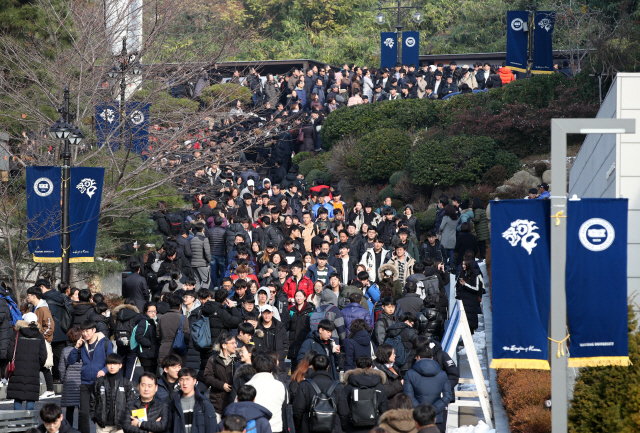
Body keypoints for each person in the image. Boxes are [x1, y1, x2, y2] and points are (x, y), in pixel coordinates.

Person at [67, 319, 114, 433]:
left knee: (101, 412)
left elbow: (112, 361)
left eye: (87, 331)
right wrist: (76, 347)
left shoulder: (105, 343)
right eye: (83, 331)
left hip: (101, 382)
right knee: (83, 413)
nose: (85, 334)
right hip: (86, 383)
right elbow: (70, 361)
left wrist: (103, 370)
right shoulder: (82, 344)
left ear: (94, 330)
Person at [292, 354, 348, 433]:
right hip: (333, 427)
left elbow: (298, 410)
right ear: (328, 367)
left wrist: (297, 427)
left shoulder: (304, 385)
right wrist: (342, 427)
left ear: (313, 367)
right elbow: (344, 412)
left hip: (309, 426)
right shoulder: (337, 386)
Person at [404, 345, 452, 432]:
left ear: (418, 357)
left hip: (417, 418)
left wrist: (421, 411)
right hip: (436, 417)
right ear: (432, 357)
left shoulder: (409, 374)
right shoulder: (442, 374)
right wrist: (433, 410)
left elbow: (409, 397)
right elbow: (447, 396)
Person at [7, 312, 47, 411]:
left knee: (17, 397)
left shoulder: (16, 334)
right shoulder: (39, 336)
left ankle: (18, 421)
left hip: (17, 369)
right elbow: (43, 355)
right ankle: (30, 421)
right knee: (31, 397)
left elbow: (9, 352)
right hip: (33, 370)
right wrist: (38, 365)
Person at [90, 353, 137, 433]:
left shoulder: (126, 383)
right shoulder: (99, 382)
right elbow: (92, 401)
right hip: (101, 425)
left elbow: (131, 404)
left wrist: (127, 421)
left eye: (115, 364)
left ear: (120, 365)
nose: (112, 367)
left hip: (120, 426)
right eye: (109, 364)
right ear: (106, 365)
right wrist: (94, 418)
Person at [343, 356, 388, 432]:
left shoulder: (349, 386)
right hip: (374, 426)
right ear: (371, 367)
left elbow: (344, 408)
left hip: (353, 426)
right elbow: (384, 409)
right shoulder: (379, 386)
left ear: (356, 367)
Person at [25, 285, 55, 398]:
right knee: (36, 365)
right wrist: (24, 303)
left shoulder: (43, 309)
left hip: (41, 341)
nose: (27, 297)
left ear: (34, 296)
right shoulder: (33, 307)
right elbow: (22, 314)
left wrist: (41, 337)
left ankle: (50, 390)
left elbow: (50, 326)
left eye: (28, 295)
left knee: (45, 366)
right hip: (34, 340)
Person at [245, 353, 287, 433]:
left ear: (255, 369)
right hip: (276, 428)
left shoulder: (247, 386)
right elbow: (285, 405)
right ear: (272, 369)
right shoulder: (280, 385)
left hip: (253, 429)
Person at [166, 367, 217, 433]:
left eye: (187, 379)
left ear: (194, 381)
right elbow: (169, 428)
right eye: (181, 379)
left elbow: (211, 428)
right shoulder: (173, 404)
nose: (184, 383)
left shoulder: (204, 403)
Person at [202, 331, 237, 421]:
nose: (235, 345)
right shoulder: (213, 359)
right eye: (232, 343)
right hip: (217, 403)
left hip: (234, 404)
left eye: (235, 343)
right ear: (224, 345)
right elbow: (207, 377)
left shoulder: (237, 360)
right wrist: (221, 385)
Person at [59, 327, 83, 426]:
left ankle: (69, 429)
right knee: (82, 409)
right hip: (82, 380)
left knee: (69, 409)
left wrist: (62, 379)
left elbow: (61, 368)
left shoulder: (65, 350)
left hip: (70, 381)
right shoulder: (85, 350)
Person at [157, 294, 190, 364]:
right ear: (180, 306)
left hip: (164, 349)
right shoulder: (183, 318)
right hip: (179, 351)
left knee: (164, 372)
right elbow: (187, 335)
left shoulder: (162, 317)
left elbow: (158, 335)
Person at [287, 290, 315, 372]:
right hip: (294, 342)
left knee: (304, 365)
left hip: (305, 340)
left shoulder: (310, 310)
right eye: (296, 296)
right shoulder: (292, 310)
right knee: (294, 366)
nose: (298, 298)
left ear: (305, 297)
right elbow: (288, 325)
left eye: (300, 296)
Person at [113, 301, 142, 379]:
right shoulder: (137, 316)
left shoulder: (119, 315)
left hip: (120, 343)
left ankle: (120, 386)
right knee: (130, 367)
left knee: (121, 366)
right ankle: (127, 387)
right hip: (132, 345)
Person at [456, 259, 484, 333]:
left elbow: (476, 288)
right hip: (463, 301)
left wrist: (465, 284)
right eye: (462, 264)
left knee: (470, 321)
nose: (463, 266)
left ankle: (470, 336)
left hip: (471, 302)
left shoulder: (475, 275)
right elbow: (457, 286)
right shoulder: (461, 274)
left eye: (465, 264)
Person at [134, 302, 159, 373]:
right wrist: (149, 344)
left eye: (154, 311)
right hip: (146, 353)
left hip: (154, 353)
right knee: (148, 374)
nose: (153, 313)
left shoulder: (157, 321)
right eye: (150, 311)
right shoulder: (143, 321)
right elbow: (138, 336)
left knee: (153, 374)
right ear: (145, 312)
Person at [190, 221, 211, 289]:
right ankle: (203, 296)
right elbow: (207, 252)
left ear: (195, 230)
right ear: (203, 229)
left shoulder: (192, 239)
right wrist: (209, 260)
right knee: (206, 281)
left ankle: (196, 297)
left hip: (193, 263)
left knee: (197, 281)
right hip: (202, 263)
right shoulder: (204, 239)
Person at [437, 205, 458, 270]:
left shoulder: (446, 217)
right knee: (452, 254)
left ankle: (444, 267)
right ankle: (452, 267)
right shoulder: (456, 218)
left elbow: (441, 227)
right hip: (453, 237)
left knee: (444, 254)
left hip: (445, 237)